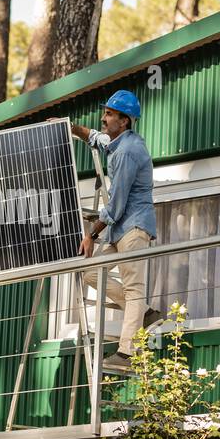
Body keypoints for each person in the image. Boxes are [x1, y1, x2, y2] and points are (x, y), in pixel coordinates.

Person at [60, 89, 160, 372]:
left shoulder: (128, 152)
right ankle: (146, 314)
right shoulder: (119, 142)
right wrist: (69, 128)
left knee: (134, 287)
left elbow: (115, 205)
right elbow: (96, 137)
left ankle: (128, 354)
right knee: (91, 272)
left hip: (133, 227)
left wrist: (91, 234)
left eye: (109, 114)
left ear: (125, 121)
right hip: (121, 230)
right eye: (105, 113)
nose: (104, 118)